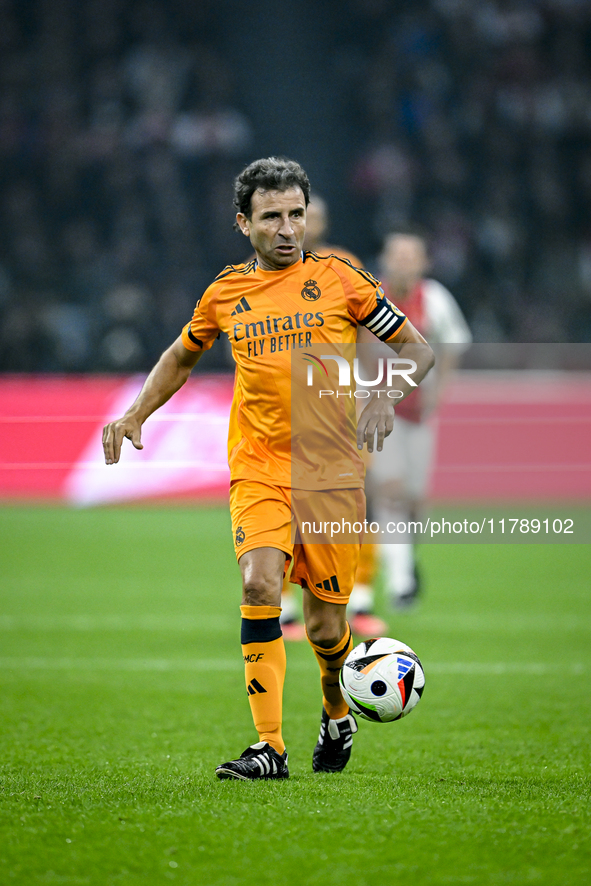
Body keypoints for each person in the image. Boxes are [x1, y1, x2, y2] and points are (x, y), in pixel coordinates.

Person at [102, 158, 434, 781]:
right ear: (243, 223)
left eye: (295, 215)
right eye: (272, 217)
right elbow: (180, 355)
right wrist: (136, 413)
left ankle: (337, 712)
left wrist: (385, 393)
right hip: (257, 468)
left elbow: (417, 347)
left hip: (331, 475)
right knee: (258, 586)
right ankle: (270, 748)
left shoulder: (343, 280)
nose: (287, 229)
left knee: (325, 624)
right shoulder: (226, 293)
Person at [279, 193, 388, 641]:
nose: (303, 224)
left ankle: (359, 600)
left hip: (339, 404)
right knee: (287, 507)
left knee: (359, 500)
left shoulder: (344, 266)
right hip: (283, 412)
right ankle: (285, 608)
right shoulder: (260, 270)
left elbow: (372, 330)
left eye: (310, 215)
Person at [355, 229, 471, 609]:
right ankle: (401, 584)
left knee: (417, 502)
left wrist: (440, 390)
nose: (403, 263)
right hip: (376, 410)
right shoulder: (368, 298)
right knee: (390, 489)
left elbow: (454, 341)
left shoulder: (434, 298)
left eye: (411, 256)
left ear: (424, 263)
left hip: (420, 413)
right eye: (397, 256)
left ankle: (406, 560)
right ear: (384, 261)